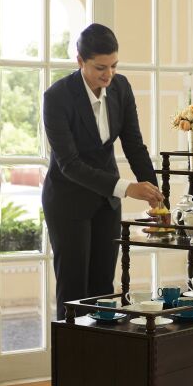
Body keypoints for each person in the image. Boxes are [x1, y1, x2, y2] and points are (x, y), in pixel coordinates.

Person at [42, 23, 163, 320]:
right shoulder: (57, 97)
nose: (109, 74)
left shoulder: (121, 88)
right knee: (73, 290)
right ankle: (72, 352)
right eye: (100, 67)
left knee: (103, 289)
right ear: (80, 61)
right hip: (68, 200)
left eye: (114, 65)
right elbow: (69, 164)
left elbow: (134, 146)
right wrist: (128, 188)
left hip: (106, 201)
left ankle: (102, 350)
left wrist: (158, 199)